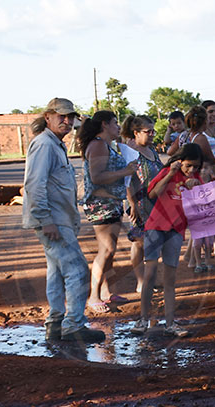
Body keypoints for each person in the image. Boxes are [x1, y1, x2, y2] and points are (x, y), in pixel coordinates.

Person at [22, 98, 105, 343]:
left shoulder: (54, 144)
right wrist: (45, 219)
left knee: (56, 272)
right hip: (52, 220)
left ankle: (56, 324)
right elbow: (34, 185)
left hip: (58, 219)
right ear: (48, 117)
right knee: (78, 270)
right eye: (61, 116)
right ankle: (74, 326)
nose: (67, 121)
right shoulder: (45, 145)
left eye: (70, 117)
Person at [131, 144, 203, 337]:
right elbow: (152, 193)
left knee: (170, 278)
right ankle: (143, 319)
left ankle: (170, 323)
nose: (191, 170)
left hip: (176, 230)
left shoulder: (196, 179)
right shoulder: (166, 172)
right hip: (155, 227)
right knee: (150, 274)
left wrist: (195, 189)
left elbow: (202, 205)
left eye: (195, 167)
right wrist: (170, 175)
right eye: (188, 166)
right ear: (180, 161)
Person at [78, 110, 140, 314]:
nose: (118, 126)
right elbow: (96, 177)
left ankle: (104, 291)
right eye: (115, 123)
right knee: (106, 249)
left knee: (109, 250)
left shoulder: (105, 145)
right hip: (100, 203)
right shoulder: (97, 145)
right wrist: (126, 171)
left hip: (110, 202)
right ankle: (93, 296)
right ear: (104, 124)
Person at [122, 115, 165, 296]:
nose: (152, 134)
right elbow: (127, 181)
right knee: (140, 242)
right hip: (139, 202)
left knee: (155, 242)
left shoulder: (152, 150)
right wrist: (132, 204)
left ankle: (149, 280)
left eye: (153, 131)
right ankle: (141, 281)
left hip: (155, 201)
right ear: (136, 133)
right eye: (148, 132)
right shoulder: (131, 151)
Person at [185, 105, 215, 272]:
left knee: (197, 228)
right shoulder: (201, 138)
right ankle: (195, 260)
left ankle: (192, 259)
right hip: (199, 184)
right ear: (203, 121)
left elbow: (172, 151)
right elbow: (212, 160)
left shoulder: (185, 135)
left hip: (188, 181)